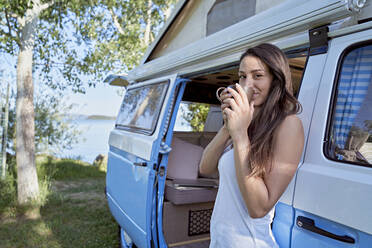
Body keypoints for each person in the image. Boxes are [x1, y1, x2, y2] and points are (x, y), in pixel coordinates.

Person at [199, 43, 304, 248]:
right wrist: (228, 127)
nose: (248, 84)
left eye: (257, 76)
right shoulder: (244, 123)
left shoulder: (289, 125)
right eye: (242, 76)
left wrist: (239, 136)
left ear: (276, 79)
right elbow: (205, 168)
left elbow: (258, 208)